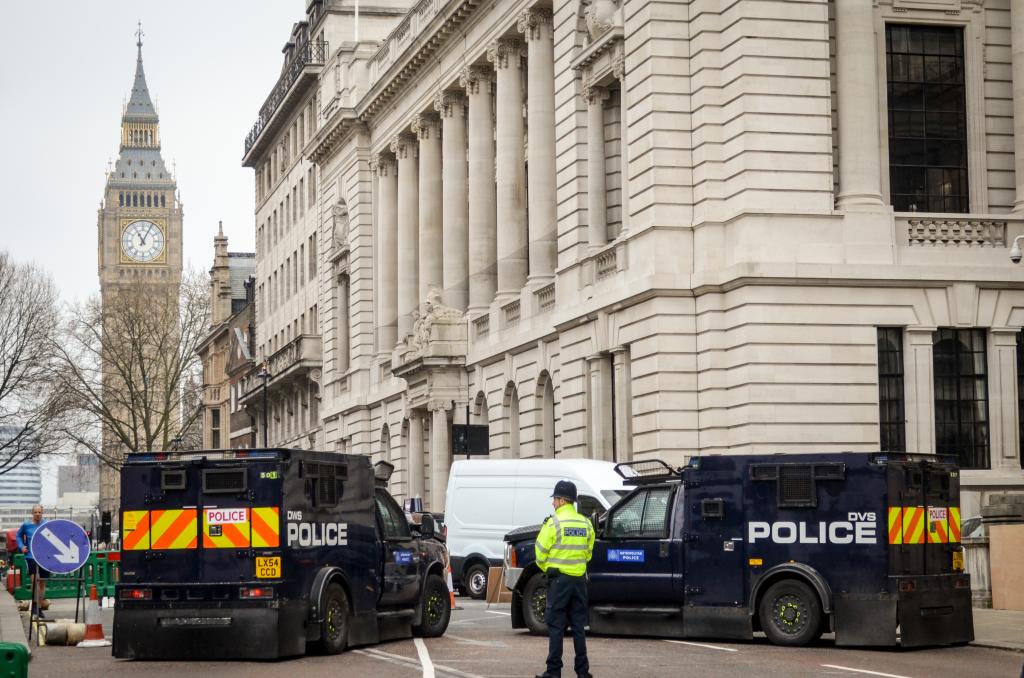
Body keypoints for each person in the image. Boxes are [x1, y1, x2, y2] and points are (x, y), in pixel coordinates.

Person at [534, 480, 595, 678]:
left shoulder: (554, 523)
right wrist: (577, 566)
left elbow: (540, 553)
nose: (553, 503)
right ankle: (583, 672)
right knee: (578, 626)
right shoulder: (585, 523)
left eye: (554, 499)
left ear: (562, 500)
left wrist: (548, 568)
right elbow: (588, 552)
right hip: (579, 581)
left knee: (556, 625)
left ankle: (553, 672)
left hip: (559, 581)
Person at [16, 504, 48, 618]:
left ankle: (39, 608)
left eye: (40, 512)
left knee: (43, 584)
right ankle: (35, 606)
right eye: (36, 512)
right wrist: (21, 546)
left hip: (44, 557)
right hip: (31, 556)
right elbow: (18, 536)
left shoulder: (46, 524)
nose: (38, 514)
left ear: (42, 513)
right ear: (32, 513)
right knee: (35, 582)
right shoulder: (26, 525)